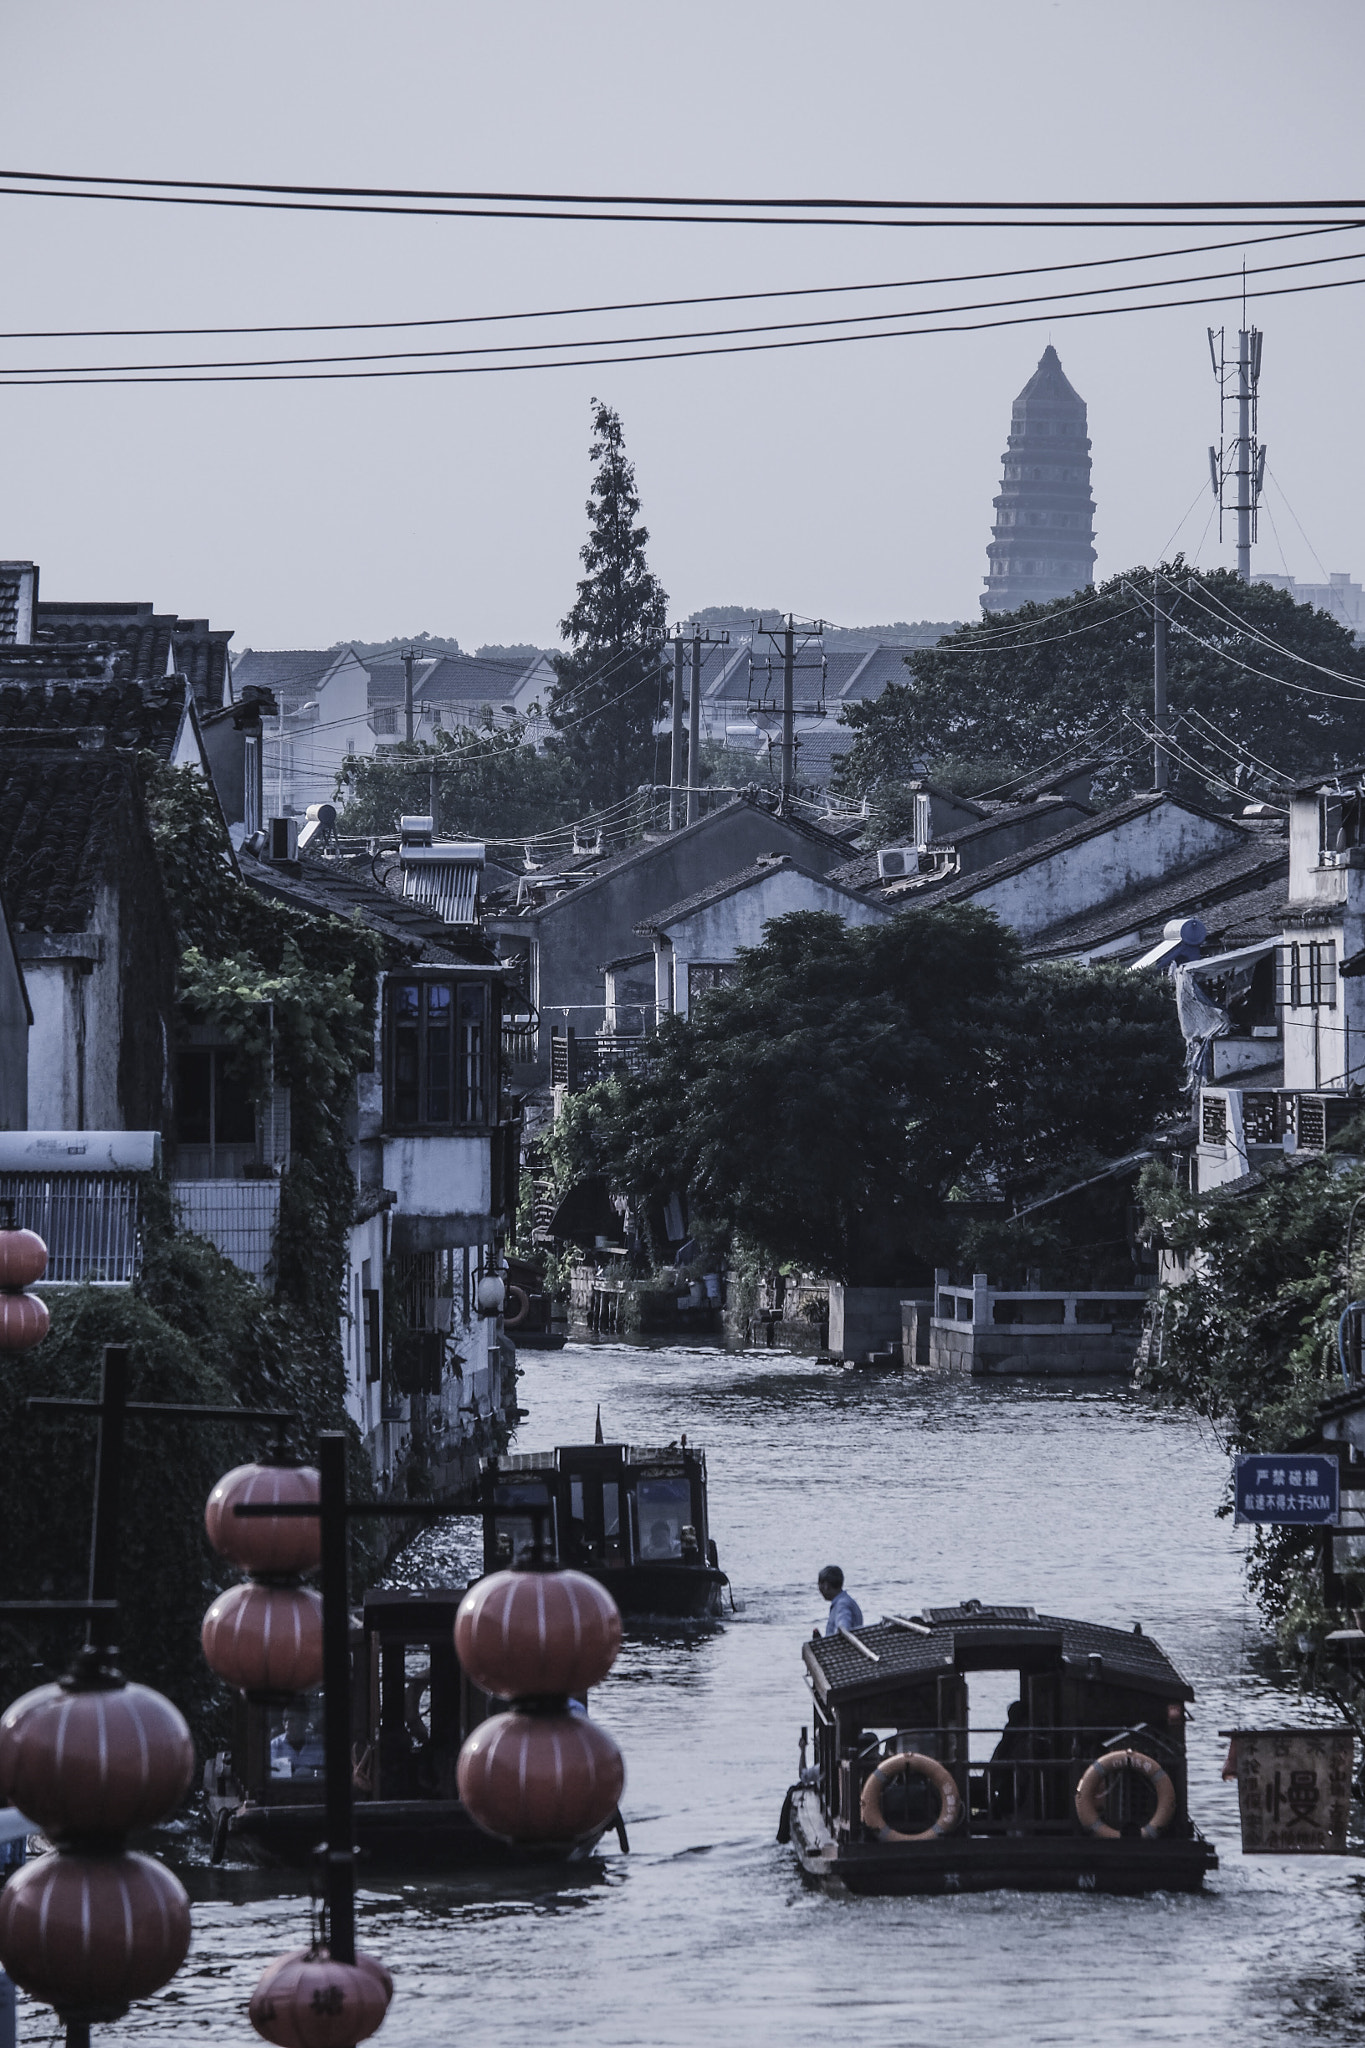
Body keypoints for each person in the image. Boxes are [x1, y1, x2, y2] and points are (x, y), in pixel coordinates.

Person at [270, 1705, 325, 1779]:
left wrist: (312, 1772)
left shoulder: (317, 1746)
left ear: (307, 1722)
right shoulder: (274, 1746)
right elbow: (274, 1775)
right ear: (284, 1723)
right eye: (292, 1720)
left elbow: (323, 1775)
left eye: (301, 1719)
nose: (297, 1724)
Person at [818, 1565, 863, 1636]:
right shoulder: (846, 1601)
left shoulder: (842, 1605)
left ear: (826, 1585)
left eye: (819, 1584)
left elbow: (843, 1629)